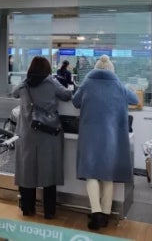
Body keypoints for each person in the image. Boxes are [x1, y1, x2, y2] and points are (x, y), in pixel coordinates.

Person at [72, 55, 138, 230]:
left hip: (90, 136)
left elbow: (75, 101)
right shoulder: (118, 85)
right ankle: (106, 214)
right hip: (112, 137)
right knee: (107, 175)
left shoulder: (87, 83)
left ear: (95, 67)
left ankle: (96, 213)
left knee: (91, 174)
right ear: (111, 69)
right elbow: (135, 100)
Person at [12, 56, 71, 219]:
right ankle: (49, 212)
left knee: (27, 171)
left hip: (27, 134)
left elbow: (14, 93)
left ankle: (27, 208)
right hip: (48, 134)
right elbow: (67, 95)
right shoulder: (52, 82)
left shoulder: (25, 84)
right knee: (48, 172)